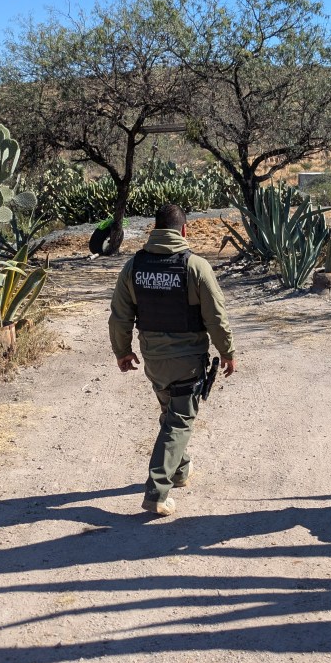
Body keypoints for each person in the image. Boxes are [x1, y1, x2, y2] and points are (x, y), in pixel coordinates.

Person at [109, 203, 236, 516]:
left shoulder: (134, 266)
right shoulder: (196, 266)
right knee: (179, 421)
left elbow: (120, 316)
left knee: (171, 413)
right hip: (187, 360)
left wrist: (122, 351)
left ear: (154, 230)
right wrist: (227, 352)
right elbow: (216, 316)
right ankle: (157, 491)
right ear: (183, 231)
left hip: (153, 360)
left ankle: (180, 471)